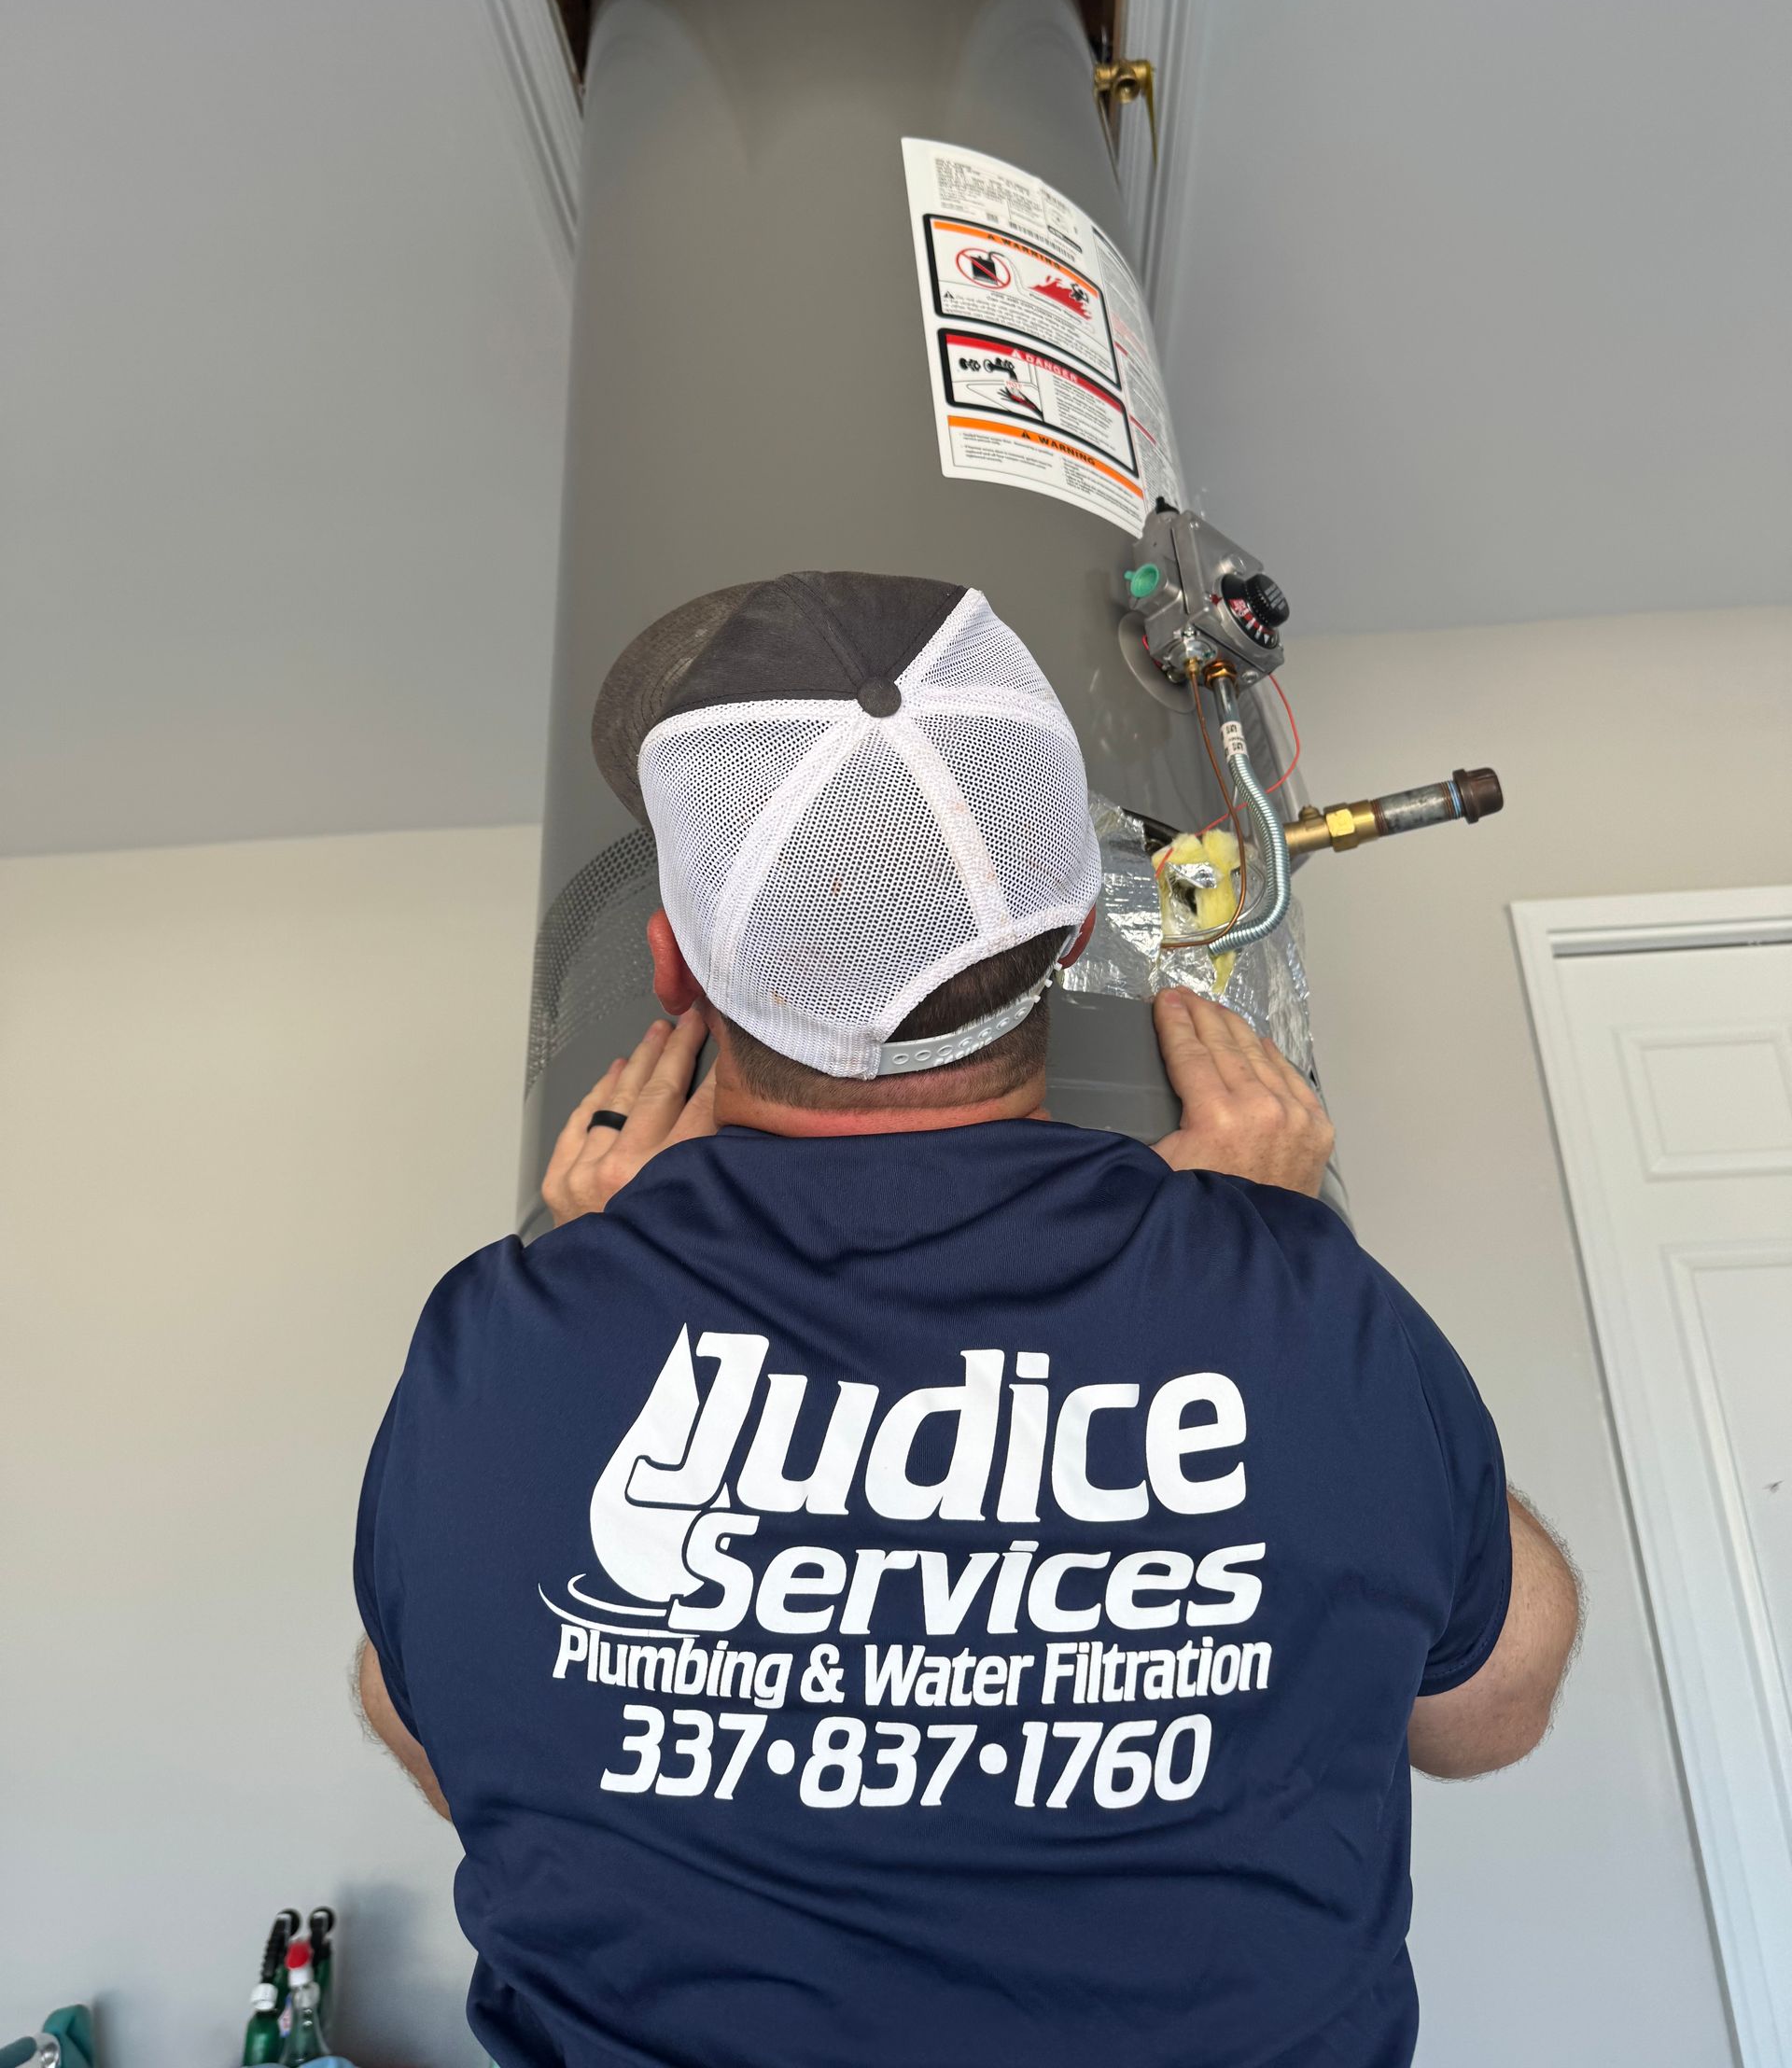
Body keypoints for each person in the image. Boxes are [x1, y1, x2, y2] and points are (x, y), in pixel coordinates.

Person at [354, 570, 1580, 2068]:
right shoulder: (1303, 1309)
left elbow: (431, 1715)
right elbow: (1491, 1709)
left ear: (667, 963)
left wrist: (591, 1273)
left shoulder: (501, 1346)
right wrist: (1274, 1257)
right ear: (1078, 932)